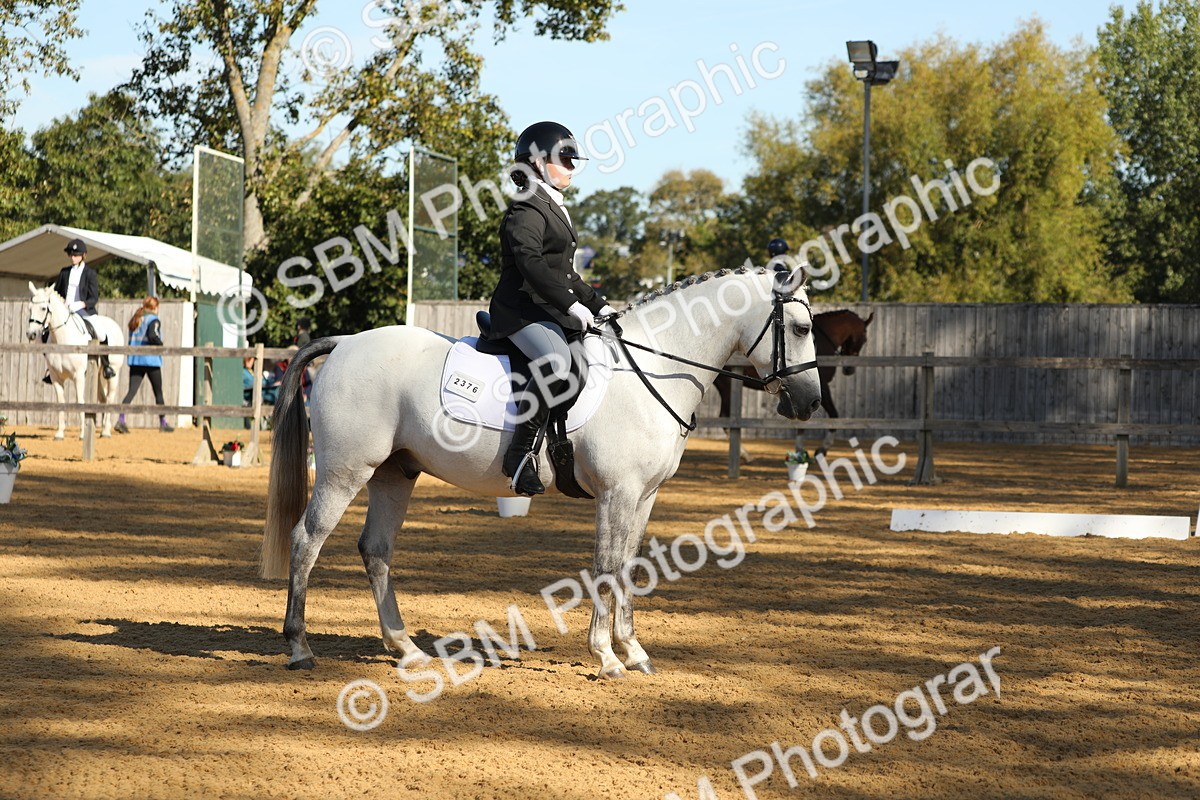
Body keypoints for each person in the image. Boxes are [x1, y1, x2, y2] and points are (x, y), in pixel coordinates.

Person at [487, 120, 615, 496]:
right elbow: (532, 264)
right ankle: (521, 454)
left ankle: (561, 450)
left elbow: (566, 272)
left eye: (575, 161)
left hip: (547, 310)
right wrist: (571, 304)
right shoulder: (526, 206)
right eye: (566, 160)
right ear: (538, 163)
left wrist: (599, 305)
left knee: (584, 359)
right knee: (557, 360)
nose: (572, 168)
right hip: (520, 310)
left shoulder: (553, 206)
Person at [46, 237, 114, 381]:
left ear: (83, 255)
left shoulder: (90, 274)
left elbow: (93, 298)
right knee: (46, 334)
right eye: (71, 254)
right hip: (66, 311)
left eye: (76, 255)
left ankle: (107, 366)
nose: (73, 257)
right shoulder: (64, 272)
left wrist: (81, 304)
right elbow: (57, 292)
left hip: (84, 311)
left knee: (101, 334)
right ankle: (50, 368)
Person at [114, 296, 173, 433]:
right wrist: (160, 344)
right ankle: (163, 422)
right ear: (154, 307)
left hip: (136, 360)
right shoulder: (154, 320)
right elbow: (153, 336)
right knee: (158, 393)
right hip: (151, 360)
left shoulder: (136, 319)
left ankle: (121, 419)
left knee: (131, 391)